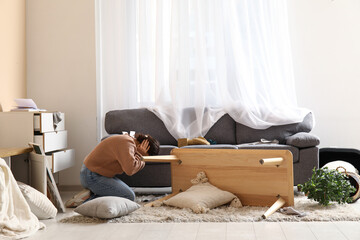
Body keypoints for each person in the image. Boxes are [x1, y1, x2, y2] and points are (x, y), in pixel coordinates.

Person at [65, 133, 160, 207]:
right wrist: (140, 154)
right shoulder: (127, 143)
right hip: (91, 176)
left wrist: (139, 155)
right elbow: (130, 170)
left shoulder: (127, 141)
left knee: (125, 192)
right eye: (145, 156)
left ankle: (91, 193)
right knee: (129, 196)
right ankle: (85, 199)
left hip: (94, 174)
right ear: (145, 146)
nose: (142, 159)